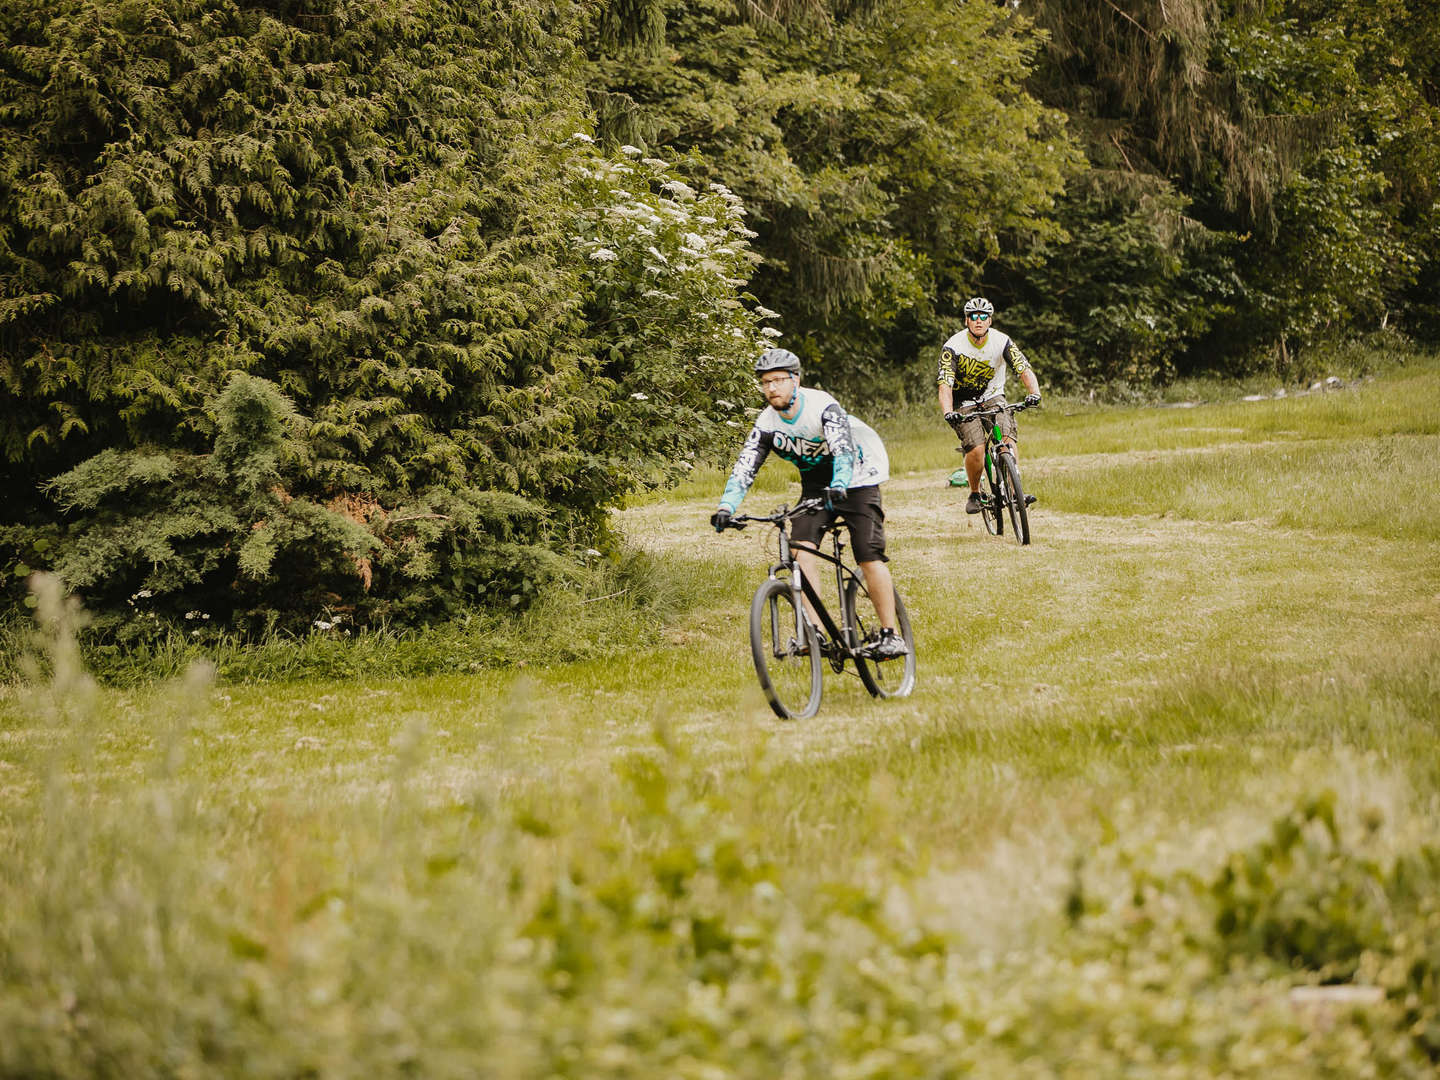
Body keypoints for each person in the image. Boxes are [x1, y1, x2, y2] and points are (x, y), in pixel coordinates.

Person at [710, 347, 908, 659]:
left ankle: (890, 634)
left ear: (796, 380)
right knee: (800, 549)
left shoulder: (823, 406)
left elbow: (842, 450)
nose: (771, 388)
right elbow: (745, 466)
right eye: (765, 382)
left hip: (857, 477)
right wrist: (726, 507)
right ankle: (814, 632)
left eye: (778, 380)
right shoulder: (767, 423)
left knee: (868, 554)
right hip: (816, 485)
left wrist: (840, 484)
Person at [936, 296, 1041, 513]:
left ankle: (1014, 492)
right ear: (966, 321)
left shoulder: (1002, 341)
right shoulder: (952, 347)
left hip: (993, 397)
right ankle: (975, 493)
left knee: (1008, 440)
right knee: (977, 449)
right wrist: (948, 412)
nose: (978, 320)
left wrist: (1034, 393)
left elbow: (1023, 368)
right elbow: (945, 384)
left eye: (983, 316)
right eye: (973, 316)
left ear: (990, 320)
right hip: (963, 402)